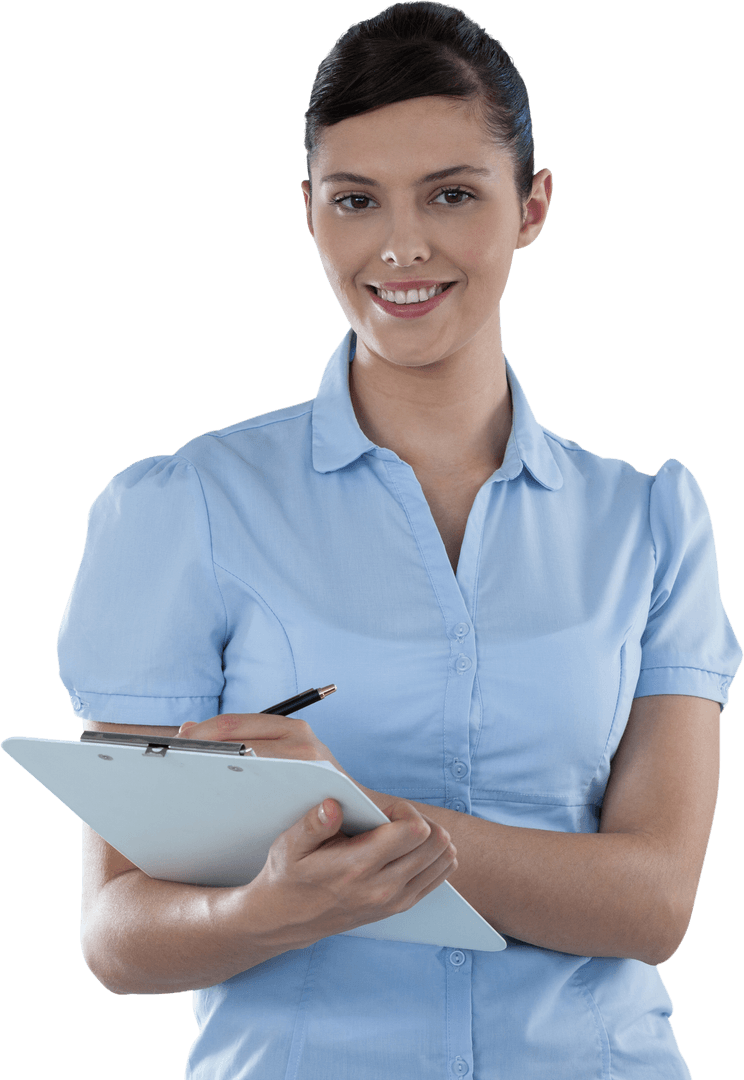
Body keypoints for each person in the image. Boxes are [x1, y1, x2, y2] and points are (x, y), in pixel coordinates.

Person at [57, 3, 742, 1077]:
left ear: (534, 206)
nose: (402, 245)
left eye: (453, 194)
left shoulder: (648, 523)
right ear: (311, 213)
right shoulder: (184, 507)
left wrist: (356, 824)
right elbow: (117, 934)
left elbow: (654, 905)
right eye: (357, 200)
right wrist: (264, 906)